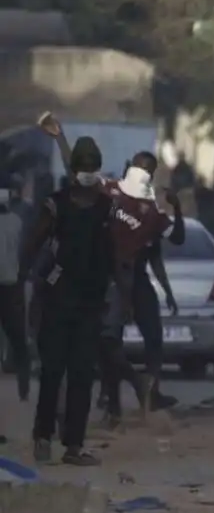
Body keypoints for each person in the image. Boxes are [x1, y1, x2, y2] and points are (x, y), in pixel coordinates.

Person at [38, 114, 185, 423]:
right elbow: (78, 171)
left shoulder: (149, 210)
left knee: (107, 341)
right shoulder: (113, 191)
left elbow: (168, 243)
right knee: (102, 343)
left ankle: (128, 395)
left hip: (120, 277)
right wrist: (60, 138)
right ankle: (118, 397)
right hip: (102, 274)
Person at [19, 136, 114, 465]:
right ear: (74, 170)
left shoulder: (106, 206)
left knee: (83, 375)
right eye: (83, 166)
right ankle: (43, 436)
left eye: (93, 166)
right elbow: (32, 244)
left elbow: (113, 252)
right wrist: (26, 283)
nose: (88, 171)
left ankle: (74, 445)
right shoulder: (56, 204)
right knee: (53, 371)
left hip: (90, 302)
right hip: (58, 300)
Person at [0, 184, 30, 400]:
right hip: (11, 285)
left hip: (9, 285)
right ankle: (24, 385)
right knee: (18, 338)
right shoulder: (17, 222)